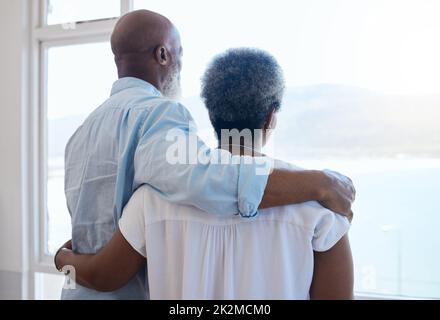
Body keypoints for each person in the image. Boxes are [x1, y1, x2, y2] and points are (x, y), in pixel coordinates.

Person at [61, 9, 355, 300]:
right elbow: (202, 179)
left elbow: (100, 265)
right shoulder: (319, 207)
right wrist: (320, 183)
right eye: (180, 53)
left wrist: (63, 260)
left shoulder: (85, 138)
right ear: (270, 118)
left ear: (211, 115)